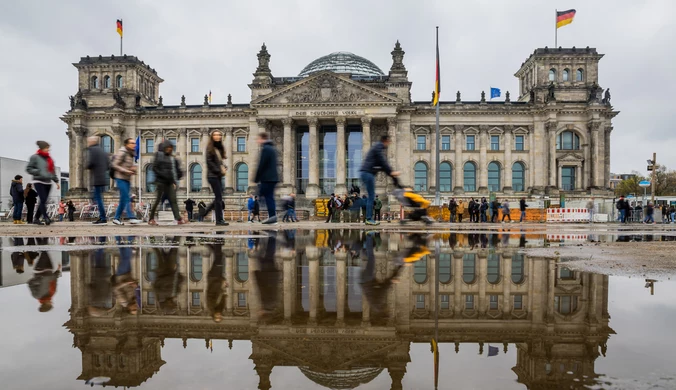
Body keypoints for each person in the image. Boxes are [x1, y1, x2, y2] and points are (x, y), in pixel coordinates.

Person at [359, 135, 400, 225]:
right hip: (367, 173)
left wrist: (391, 174)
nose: (389, 144)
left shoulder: (377, 148)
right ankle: (369, 219)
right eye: (388, 142)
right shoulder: (378, 147)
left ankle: (368, 218)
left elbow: (381, 166)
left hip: (366, 173)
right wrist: (392, 172)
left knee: (370, 196)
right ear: (385, 141)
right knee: (371, 196)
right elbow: (383, 162)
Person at [148, 141, 187, 225]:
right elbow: (154, 168)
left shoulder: (171, 158)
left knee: (173, 200)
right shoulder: (158, 155)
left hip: (169, 182)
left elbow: (171, 171)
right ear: (165, 147)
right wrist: (163, 175)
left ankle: (178, 218)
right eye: (168, 147)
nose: (169, 149)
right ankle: (151, 218)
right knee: (157, 200)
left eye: (171, 148)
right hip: (160, 181)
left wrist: (173, 181)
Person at [26, 141, 60, 225]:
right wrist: (38, 171)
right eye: (47, 148)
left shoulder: (50, 159)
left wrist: (56, 181)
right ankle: (46, 217)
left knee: (43, 201)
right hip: (38, 181)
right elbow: (29, 168)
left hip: (48, 182)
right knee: (43, 199)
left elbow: (52, 171)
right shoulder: (34, 157)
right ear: (42, 148)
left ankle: (36, 218)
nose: (48, 149)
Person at [110, 138, 141, 225]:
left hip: (127, 179)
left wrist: (133, 169)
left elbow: (127, 166)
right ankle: (131, 217)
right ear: (127, 144)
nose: (134, 145)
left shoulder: (131, 153)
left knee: (123, 200)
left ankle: (116, 218)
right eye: (132, 143)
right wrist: (126, 171)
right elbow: (114, 164)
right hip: (120, 178)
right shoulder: (122, 152)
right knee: (127, 198)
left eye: (134, 143)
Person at [202, 130, 229, 226]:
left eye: (219, 135)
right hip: (212, 176)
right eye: (216, 135)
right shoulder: (210, 148)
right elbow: (209, 162)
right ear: (212, 136)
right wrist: (219, 170)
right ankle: (219, 220)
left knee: (219, 197)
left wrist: (224, 167)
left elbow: (219, 163)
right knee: (219, 198)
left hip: (218, 176)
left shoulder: (219, 148)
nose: (218, 136)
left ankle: (204, 212)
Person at [253, 132, 279, 224]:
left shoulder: (266, 149)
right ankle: (272, 216)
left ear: (262, 139)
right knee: (269, 197)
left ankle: (260, 212)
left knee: (261, 195)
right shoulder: (272, 148)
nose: (257, 141)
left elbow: (261, 164)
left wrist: (256, 178)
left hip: (267, 178)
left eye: (258, 139)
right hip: (273, 178)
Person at [86, 136, 111, 224]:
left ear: (92, 142)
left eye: (88, 141)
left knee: (97, 199)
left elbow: (91, 163)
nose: (88, 143)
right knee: (98, 198)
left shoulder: (92, 150)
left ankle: (103, 217)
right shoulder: (103, 152)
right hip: (103, 178)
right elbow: (108, 165)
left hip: (97, 178)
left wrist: (88, 166)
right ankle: (102, 217)